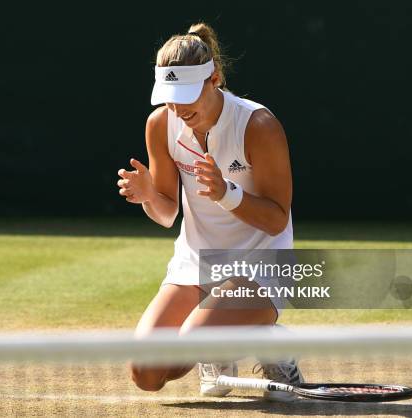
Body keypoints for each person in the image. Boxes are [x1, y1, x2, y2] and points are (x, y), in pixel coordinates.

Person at [117, 22, 302, 400]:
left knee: (185, 349)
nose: (177, 107)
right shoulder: (160, 124)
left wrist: (226, 193)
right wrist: (151, 195)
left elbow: (276, 219)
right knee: (146, 374)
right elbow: (168, 214)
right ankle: (218, 340)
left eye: (186, 94)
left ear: (214, 78)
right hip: (197, 264)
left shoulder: (259, 126)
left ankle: (264, 339)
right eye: (170, 95)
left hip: (259, 266)